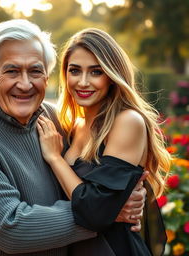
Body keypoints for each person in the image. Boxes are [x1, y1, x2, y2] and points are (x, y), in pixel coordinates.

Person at [0, 19, 146, 256]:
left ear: (47, 76)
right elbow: (11, 229)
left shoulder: (53, 119)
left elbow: (96, 171)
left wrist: (119, 197)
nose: (25, 84)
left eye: (35, 71)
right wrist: (106, 212)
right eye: (12, 70)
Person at [36, 28, 171, 256]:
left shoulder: (127, 121)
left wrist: (55, 158)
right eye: (75, 71)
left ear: (111, 75)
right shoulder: (73, 126)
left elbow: (95, 213)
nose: (83, 82)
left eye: (96, 72)